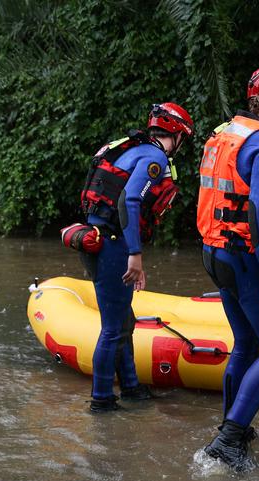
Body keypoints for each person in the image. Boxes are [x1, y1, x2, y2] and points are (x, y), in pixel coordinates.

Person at [197, 65, 259, 471]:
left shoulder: (224, 133)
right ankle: (229, 437)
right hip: (243, 255)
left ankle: (232, 425)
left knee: (246, 344)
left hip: (214, 249)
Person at [80, 102, 194, 413]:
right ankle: (101, 400)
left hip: (99, 239)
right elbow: (129, 200)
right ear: (178, 135)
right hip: (114, 245)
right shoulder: (154, 157)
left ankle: (130, 387)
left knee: (123, 320)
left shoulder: (129, 147)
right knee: (113, 328)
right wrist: (135, 255)